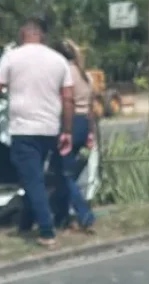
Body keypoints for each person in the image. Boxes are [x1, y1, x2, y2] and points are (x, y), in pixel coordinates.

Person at [0, 19, 74, 248]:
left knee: (33, 180)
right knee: (33, 178)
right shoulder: (59, 61)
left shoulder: (11, 58)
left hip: (23, 130)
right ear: (42, 36)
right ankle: (25, 224)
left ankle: (47, 231)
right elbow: (68, 98)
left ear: (22, 35)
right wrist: (66, 130)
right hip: (50, 129)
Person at [50, 39, 97, 233]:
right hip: (84, 124)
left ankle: (84, 214)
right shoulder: (85, 75)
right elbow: (91, 109)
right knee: (65, 173)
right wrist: (91, 132)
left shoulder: (65, 73)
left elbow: (63, 102)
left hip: (70, 123)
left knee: (64, 173)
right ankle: (62, 218)